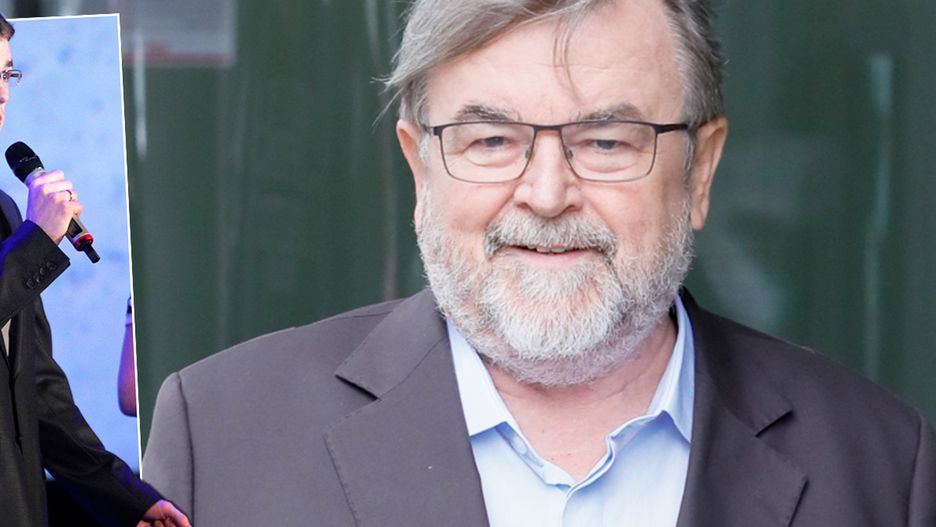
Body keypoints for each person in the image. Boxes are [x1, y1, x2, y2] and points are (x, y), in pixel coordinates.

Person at [143, 0, 936, 525]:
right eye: (491, 140)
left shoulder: (881, 466)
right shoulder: (220, 441)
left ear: (700, 172)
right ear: (420, 170)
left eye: (607, 141)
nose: (547, 194)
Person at [0, 15, 190, 527]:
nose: (2, 94)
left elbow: (37, 390)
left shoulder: (5, 213)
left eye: (6, 74)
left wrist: (128, 497)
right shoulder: (24, 234)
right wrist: (36, 241)